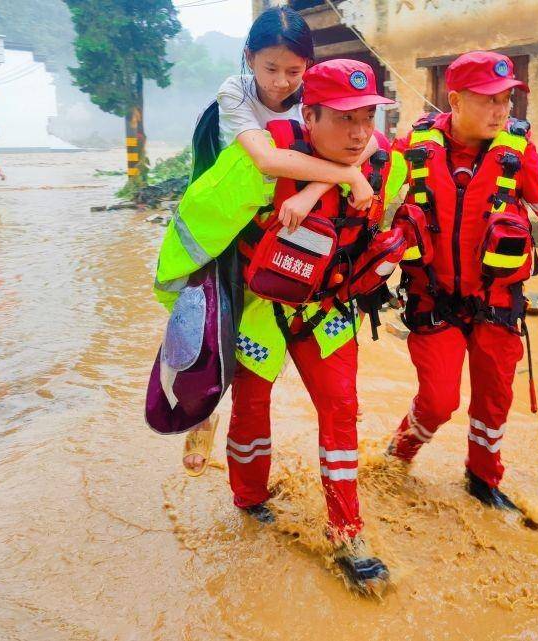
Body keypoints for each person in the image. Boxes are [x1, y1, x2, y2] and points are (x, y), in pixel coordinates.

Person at [154, 59, 406, 594]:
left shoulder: (388, 165)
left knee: (341, 411)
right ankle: (249, 500)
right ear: (307, 116)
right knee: (251, 411)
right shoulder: (255, 165)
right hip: (259, 310)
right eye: (343, 118)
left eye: (367, 116)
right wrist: (184, 311)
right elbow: (195, 225)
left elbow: (398, 215)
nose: (360, 131)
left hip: (328, 311)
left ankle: (347, 531)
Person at [386, 51, 538, 509]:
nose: (502, 111)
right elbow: (367, 182)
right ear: (456, 99)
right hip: (433, 300)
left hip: (497, 304)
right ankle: (396, 456)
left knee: (494, 400)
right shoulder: (414, 148)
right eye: (489, 100)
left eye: (507, 99)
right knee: (439, 401)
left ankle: (483, 481)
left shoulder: (517, 156)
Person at [181, 6, 380, 477]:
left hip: (291, 223)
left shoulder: (314, 94)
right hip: (232, 222)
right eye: (270, 68)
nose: (280, 83)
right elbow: (268, 161)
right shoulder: (234, 93)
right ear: (249, 59)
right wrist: (345, 175)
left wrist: (314, 190)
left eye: (294, 71)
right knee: (212, 322)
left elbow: (371, 140)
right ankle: (202, 414)